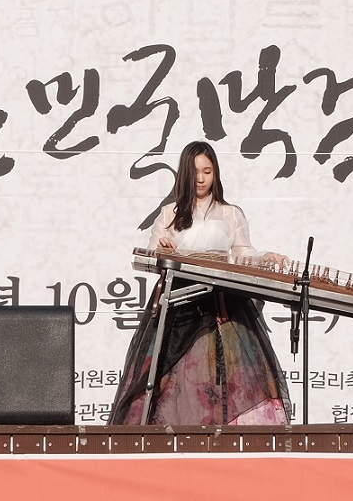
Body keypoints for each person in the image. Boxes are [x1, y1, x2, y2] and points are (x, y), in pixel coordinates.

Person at [110, 141, 292, 425]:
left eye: (208, 171)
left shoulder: (230, 213)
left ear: (215, 173)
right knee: (171, 374)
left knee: (225, 371)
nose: (201, 178)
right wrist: (164, 247)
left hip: (220, 302)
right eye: (195, 172)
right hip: (178, 301)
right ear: (185, 173)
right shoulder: (170, 213)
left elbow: (243, 253)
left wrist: (265, 256)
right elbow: (151, 251)